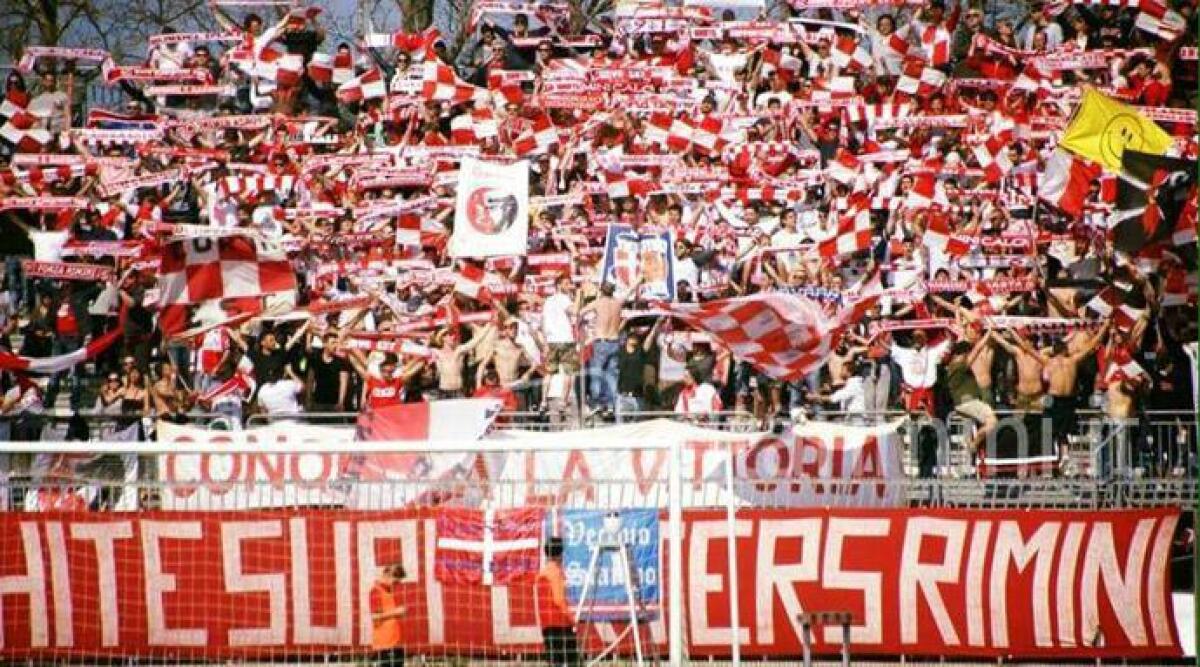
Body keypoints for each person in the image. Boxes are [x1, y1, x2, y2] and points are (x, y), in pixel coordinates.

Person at [536, 537, 580, 667]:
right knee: (572, 661)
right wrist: (572, 619)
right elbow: (559, 599)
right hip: (561, 625)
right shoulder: (556, 573)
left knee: (554, 662)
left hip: (546, 625)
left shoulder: (542, 573)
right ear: (560, 554)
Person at [369, 563, 407, 667]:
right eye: (395, 581)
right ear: (386, 575)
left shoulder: (389, 592)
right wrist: (396, 612)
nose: (395, 585)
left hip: (395, 642)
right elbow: (375, 617)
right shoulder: (376, 591)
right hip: (385, 644)